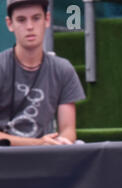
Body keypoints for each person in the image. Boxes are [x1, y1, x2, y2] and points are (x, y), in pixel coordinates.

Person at [0, 0, 85, 146]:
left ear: (47, 19)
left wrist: (60, 141)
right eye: (21, 20)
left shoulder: (63, 69)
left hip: (46, 156)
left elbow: (68, 130)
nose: (30, 27)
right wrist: (38, 143)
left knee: (78, 145)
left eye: (36, 18)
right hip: (5, 156)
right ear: (10, 24)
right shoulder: (2, 66)